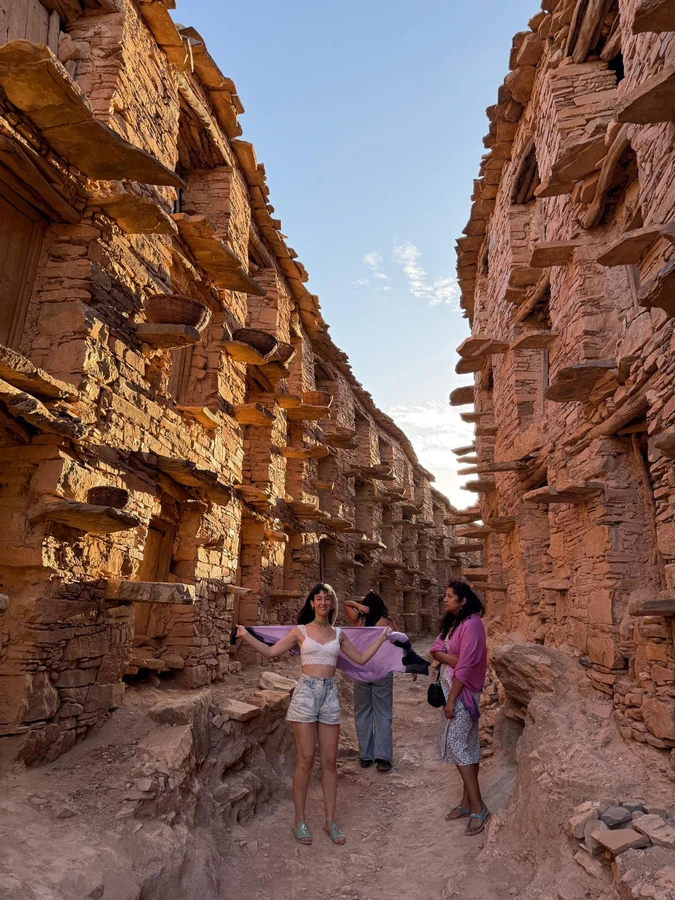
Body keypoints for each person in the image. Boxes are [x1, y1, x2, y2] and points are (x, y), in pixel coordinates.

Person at [235, 583, 390, 846]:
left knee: (329, 762)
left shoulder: (339, 634)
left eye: (327, 599)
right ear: (312, 603)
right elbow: (271, 651)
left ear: (332, 603)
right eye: (318, 598)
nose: (323, 603)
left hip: (329, 695)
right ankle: (300, 820)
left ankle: (330, 821)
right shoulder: (300, 631)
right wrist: (245, 635)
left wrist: (381, 638)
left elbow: (362, 659)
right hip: (305, 695)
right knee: (305, 760)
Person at [430, 580, 489, 836]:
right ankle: (466, 803)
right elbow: (435, 649)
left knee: (458, 746)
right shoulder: (453, 623)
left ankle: (479, 808)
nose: (445, 599)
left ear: (463, 600)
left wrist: (452, 700)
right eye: (445, 595)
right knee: (468, 746)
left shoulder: (472, 625)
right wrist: (447, 657)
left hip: (462, 696)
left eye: (450, 596)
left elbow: (465, 667)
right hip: (452, 694)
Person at [344, 591, 395, 772]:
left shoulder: (358, 621)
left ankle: (366, 756)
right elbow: (399, 643)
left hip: (361, 671)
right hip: (382, 671)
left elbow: (345, 603)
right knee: (383, 713)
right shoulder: (387, 622)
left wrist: (357, 605)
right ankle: (383, 758)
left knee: (362, 713)